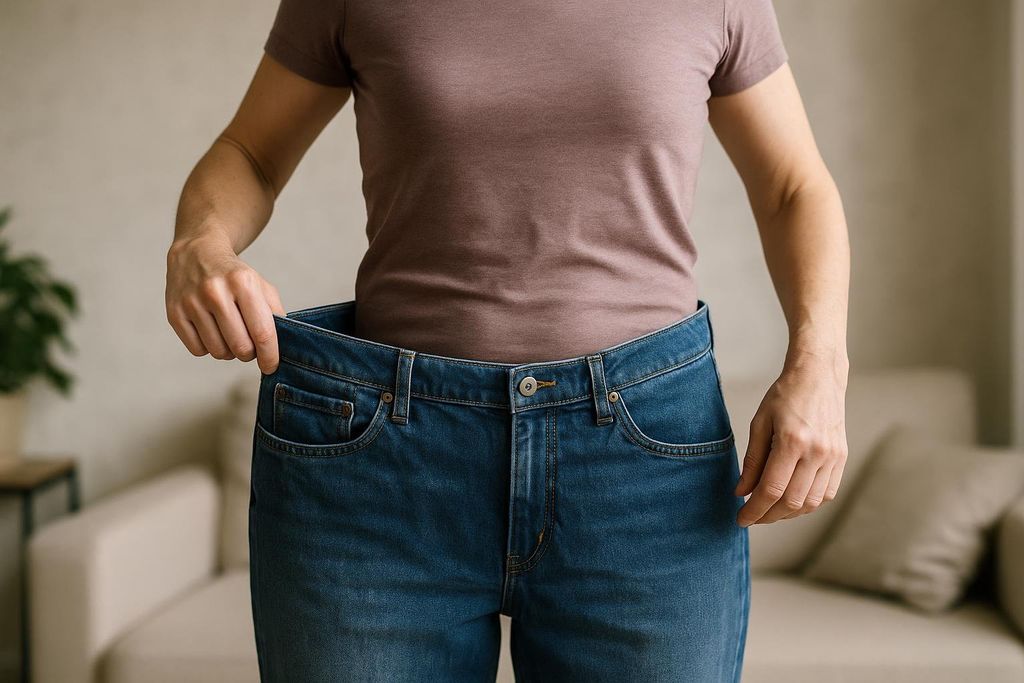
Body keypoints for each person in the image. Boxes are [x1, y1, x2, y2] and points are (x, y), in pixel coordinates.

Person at [164, 0, 850, 680]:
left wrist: (820, 363)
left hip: (643, 465)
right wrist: (200, 242)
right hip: (382, 466)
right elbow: (251, 153)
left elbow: (793, 186)